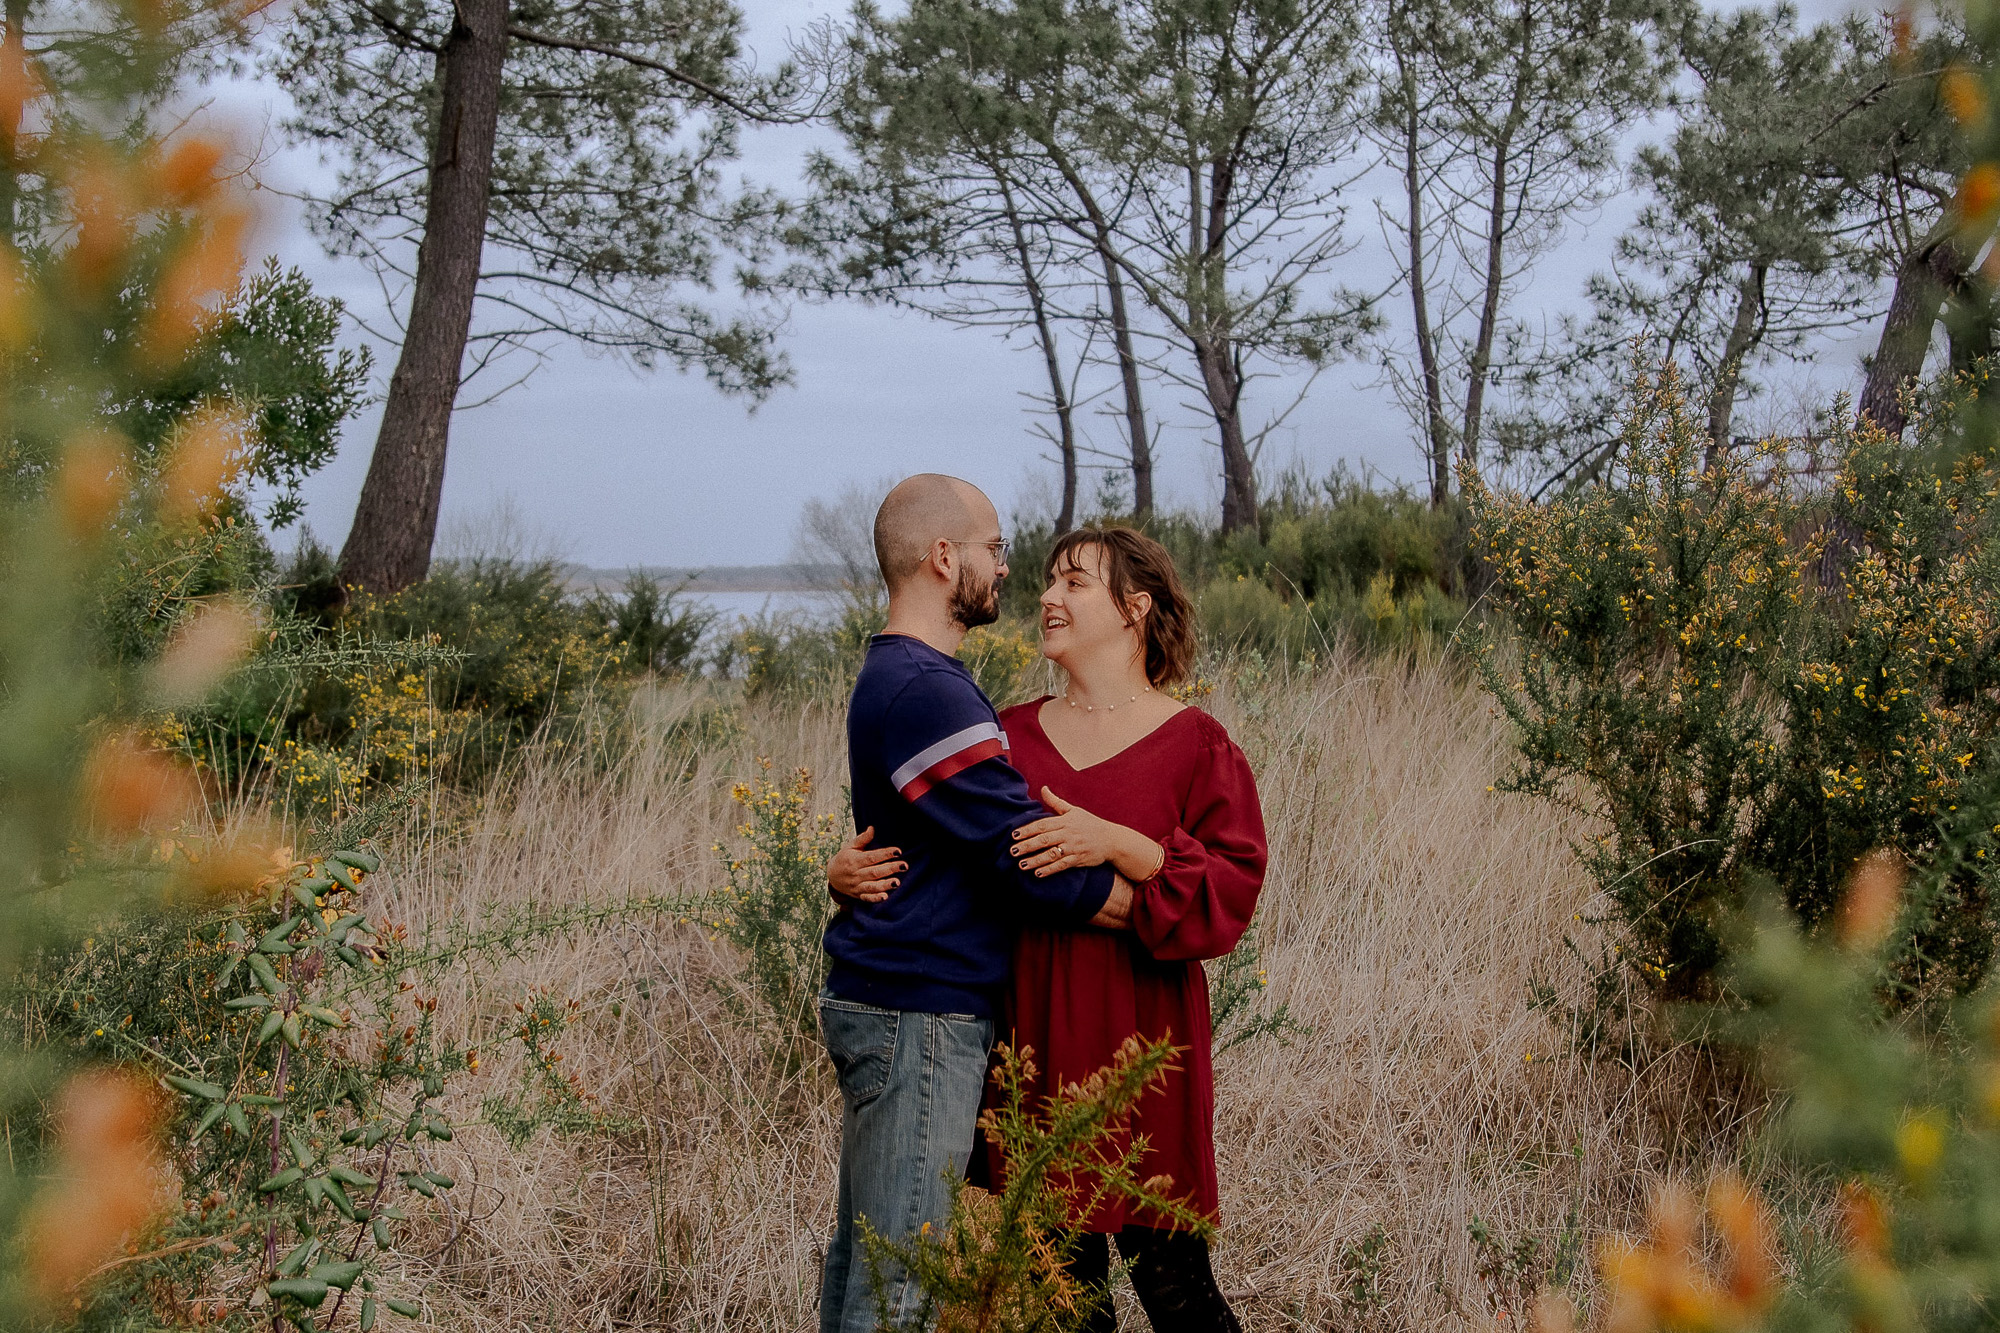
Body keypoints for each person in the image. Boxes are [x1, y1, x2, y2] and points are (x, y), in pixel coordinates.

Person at [832, 525, 1266, 1333]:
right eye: (1047, 581)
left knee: (1176, 1288)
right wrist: (841, 870)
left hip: (1145, 1045)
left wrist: (1124, 844)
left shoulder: (1195, 744)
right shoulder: (1009, 735)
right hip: (1035, 1040)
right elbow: (951, 845)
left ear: (1134, 609)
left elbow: (1231, 891)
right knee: (1064, 1302)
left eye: (1074, 582)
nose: (1047, 596)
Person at [818, 475, 1136, 1333]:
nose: (1007, 567)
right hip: (917, 1009)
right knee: (896, 1290)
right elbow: (1020, 851)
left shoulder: (909, 676)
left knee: (868, 1267)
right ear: (942, 556)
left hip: (894, 997)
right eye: (994, 549)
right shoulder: (926, 687)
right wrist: (1150, 901)